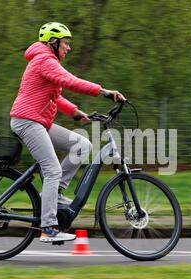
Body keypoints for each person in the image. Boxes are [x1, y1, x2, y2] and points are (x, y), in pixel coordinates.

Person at [10, 22, 126, 242]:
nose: (68, 47)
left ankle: (54, 195)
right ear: (53, 42)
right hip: (28, 122)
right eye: (65, 43)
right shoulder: (45, 59)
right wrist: (104, 92)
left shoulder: (45, 60)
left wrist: (75, 111)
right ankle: (48, 228)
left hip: (38, 121)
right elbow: (70, 81)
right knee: (52, 169)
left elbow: (55, 96)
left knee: (82, 144)